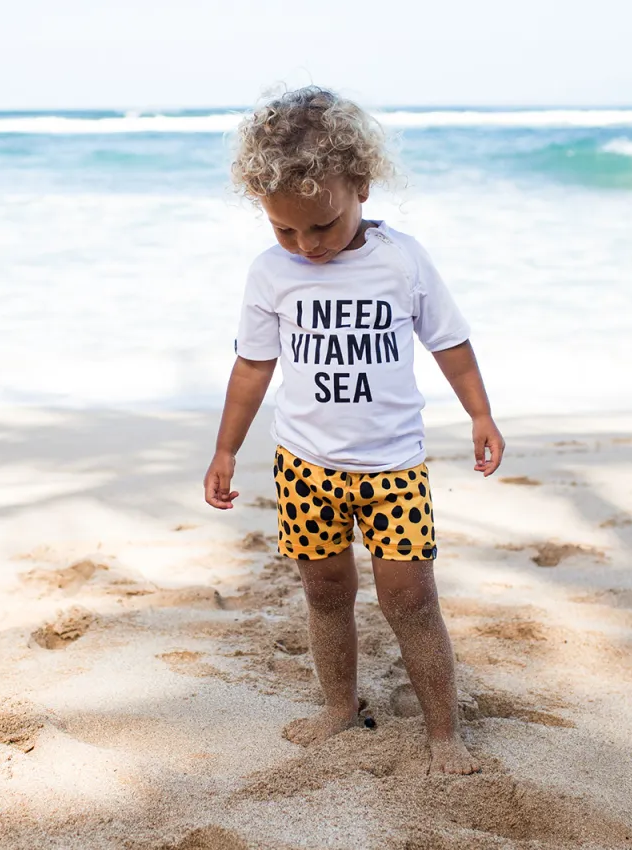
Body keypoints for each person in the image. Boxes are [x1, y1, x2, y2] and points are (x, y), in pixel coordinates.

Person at [203, 86, 504, 775]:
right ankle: (340, 708)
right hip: (305, 468)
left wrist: (480, 414)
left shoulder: (403, 260)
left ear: (360, 186)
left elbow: (449, 343)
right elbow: (253, 369)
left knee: (411, 599)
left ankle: (443, 736)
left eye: (323, 227)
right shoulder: (270, 273)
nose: (306, 246)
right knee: (325, 592)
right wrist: (226, 449)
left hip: (393, 470)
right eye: (285, 230)